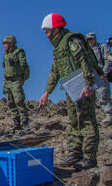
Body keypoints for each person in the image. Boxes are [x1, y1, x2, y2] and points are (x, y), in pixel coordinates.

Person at [39, 13, 104, 170]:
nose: (46, 35)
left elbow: (85, 61)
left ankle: (89, 158)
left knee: (87, 119)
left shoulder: (71, 40)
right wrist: (47, 92)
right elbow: (55, 71)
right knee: (74, 121)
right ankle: (76, 154)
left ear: (56, 29)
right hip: (71, 88)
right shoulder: (58, 47)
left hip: (83, 87)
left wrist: (88, 84)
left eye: (47, 31)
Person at [2, 35, 30, 132]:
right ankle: (17, 123)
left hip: (16, 80)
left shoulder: (18, 52)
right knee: (11, 103)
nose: (4, 45)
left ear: (11, 43)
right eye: (4, 43)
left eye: (6, 43)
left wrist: (22, 79)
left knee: (19, 101)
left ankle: (25, 123)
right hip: (7, 81)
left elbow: (25, 67)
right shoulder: (5, 55)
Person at [86, 32, 112, 125]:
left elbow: (108, 60)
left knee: (103, 95)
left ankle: (109, 114)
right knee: (89, 97)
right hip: (91, 76)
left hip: (101, 75)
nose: (90, 41)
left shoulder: (102, 47)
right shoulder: (86, 51)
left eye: (91, 39)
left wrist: (103, 73)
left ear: (95, 39)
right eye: (88, 39)